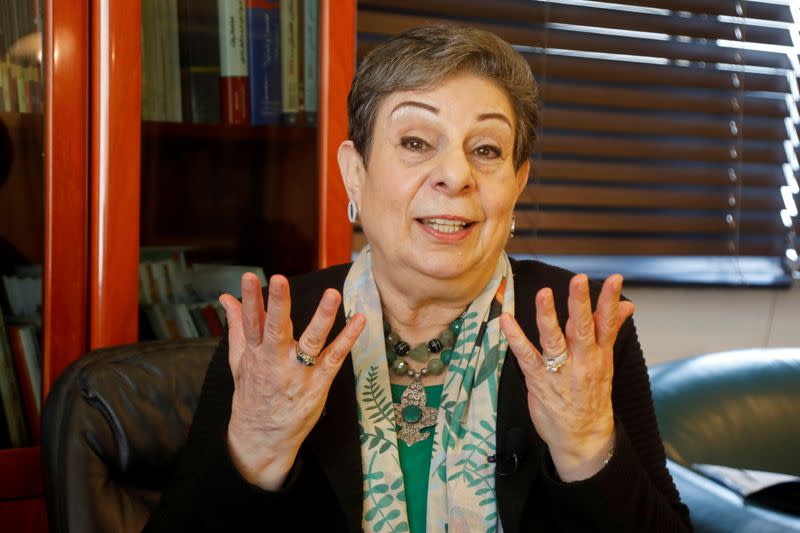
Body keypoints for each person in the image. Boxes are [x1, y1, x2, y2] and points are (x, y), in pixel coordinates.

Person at [144, 25, 692, 532]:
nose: (456, 176)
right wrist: (257, 447)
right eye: (415, 143)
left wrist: (589, 450)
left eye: (486, 150)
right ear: (355, 172)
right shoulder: (281, 327)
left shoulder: (577, 326)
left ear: (518, 182)